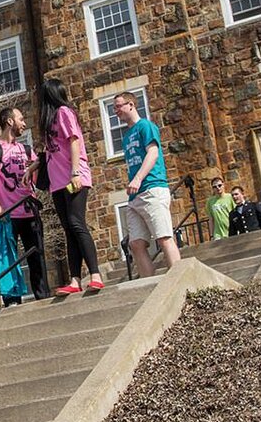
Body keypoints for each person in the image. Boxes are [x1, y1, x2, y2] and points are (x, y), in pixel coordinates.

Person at [0, 107, 52, 304]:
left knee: (37, 256)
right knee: (8, 259)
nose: (24, 123)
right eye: (20, 119)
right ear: (9, 121)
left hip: (29, 210)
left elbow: (40, 165)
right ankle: (12, 300)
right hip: (7, 213)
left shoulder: (25, 149)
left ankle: (42, 297)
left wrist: (35, 165)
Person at [40, 79, 103, 294]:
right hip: (57, 183)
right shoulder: (48, 123)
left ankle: (95, 274)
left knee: (77, 223)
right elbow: (51, 152)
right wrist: (34, 167)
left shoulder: (64, 112)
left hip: (74, 176)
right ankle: (75, 280)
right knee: (68, 229)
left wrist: (75, 172)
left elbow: (74, 142)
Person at [111, 93, 183, 277]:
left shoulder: (146, 126)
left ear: (131, 104)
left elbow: (153, 153)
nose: (116, 110)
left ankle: (180, 280)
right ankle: (149, 283)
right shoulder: (126, 137)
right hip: (135, 196)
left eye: (119, 106)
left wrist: (138, 178)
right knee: (135, 243)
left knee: (164, 237)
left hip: (152, 188)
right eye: (114, 107)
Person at [206, 177, 231, 241]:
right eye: (215, 187)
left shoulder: (230, 197)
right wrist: (211, 235)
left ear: (223, 185)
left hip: (230, 231)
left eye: (219, 185)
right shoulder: (210, 201)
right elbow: (211, 219)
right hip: (218, 234)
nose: (218, 188)